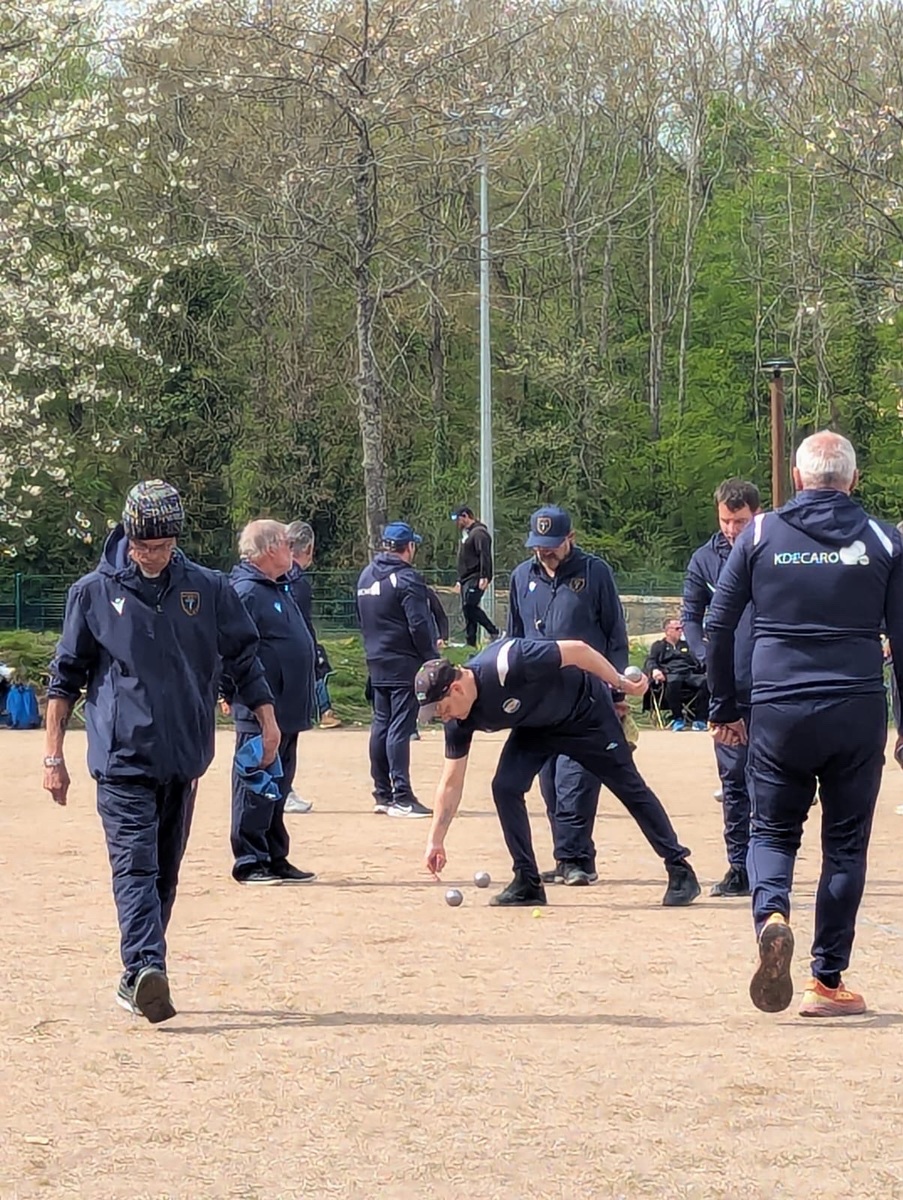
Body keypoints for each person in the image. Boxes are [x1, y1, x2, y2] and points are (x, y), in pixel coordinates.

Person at [43, 480, 278, 1024]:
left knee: (164, 875)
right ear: (127, 537)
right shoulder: (92, 593)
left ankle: (139, 975)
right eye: (145, 546)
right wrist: (53, 756)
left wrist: (267, 720)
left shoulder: (208, 588)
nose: (154, 555)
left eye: (165, 546)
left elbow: (243, 658)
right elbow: (65, 678)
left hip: (183, 757)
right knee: (135, 867)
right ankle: (146, 965)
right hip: (122, 759)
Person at [706, 431, 903, 1017]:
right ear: (853, 480)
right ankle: (827, 980)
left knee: (770, 831)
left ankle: (772, 913)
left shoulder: (759, 534)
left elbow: (718, 625)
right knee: (845, 844)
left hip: (779, 709)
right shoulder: (885, 540)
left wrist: (724, 707)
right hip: (855, 708)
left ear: (796, 478)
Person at [419, 637, 701, 907]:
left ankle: (680, 869)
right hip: (536, 728)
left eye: (443, 709)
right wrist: (436, 840)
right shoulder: (458, 720)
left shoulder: (509, 662)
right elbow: (451, 782)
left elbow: (578, 650)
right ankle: (527, 882)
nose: (444, 717)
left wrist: (620, 683)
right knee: (506, 787)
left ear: (456, 689)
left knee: (629, 787)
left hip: (585, 715)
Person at [507, 505, 629, 886]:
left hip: (586, 697)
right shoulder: (520, 577)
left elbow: (615, 634)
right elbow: (514, 638)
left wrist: (617, 690)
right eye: (538, 545)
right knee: (549, 783)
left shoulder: (595, 573)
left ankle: (575, 859)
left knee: (575, 779)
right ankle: (569, 856)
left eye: (552, 545)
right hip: (539, 700)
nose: (545, 552)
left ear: (570, 538)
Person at [227, 520, 318, 886]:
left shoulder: (277, 586)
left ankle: (275, 854)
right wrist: (232, 694)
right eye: (284, 542)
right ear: (267, 550)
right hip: (261, 710)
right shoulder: (246, 592)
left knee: (279, 785)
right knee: (256, 782)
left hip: (288, 708)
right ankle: (249, 860)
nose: (290, 549)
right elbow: (232, 652)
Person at [683, 478, 761, 897]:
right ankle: (739, 866)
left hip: (771, 684)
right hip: (726, 687)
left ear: (756, 513)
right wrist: (704, 655)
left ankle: (768, 861)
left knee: (768, 779)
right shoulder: (704, 559)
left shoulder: (771, 550)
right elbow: (691, 615)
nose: (732, 530)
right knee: (733, 780)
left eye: (740, 521)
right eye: (726, 521)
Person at [356, 521, 438, 817]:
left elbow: (361, 618)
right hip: (403, 661)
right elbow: (419, 623)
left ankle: (382, 793)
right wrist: (431, 657)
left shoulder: (366, 575)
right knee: (400, 727)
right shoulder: (407, 578)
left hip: (375, 658)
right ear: (409, 547)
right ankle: (402, 796)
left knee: (381, 723)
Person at [282, 520, 340, 815]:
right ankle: (282, 789)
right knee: (286, 732)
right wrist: (314, 655)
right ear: (307, 549)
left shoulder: (273, 576)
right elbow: (301, 626)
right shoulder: (295, 581)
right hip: (290, 666)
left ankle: (277, 789)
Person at [643, 617, 709, 731]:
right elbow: (651, 661)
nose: (681, 631)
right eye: (677, 629)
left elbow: (698, 660)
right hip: (670, 674)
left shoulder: (686, 645)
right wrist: (655, 670)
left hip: (688, 673)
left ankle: (700, 719)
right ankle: (677, 718)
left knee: (706, 682)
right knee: (674, 682)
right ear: (668, 631)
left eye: (681, 628)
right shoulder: (659, 646)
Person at [451, 506, 499, 646]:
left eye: (458, 519)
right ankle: (470, 641)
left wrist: (485, 576)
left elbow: (485, 555)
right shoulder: (467, 534)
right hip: (466, 578)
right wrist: (460, 580)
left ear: (465, 516)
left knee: (470, 606)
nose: (457, 523)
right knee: (467, 610)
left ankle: (493, 631)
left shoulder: (479, 533)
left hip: (476, 576)